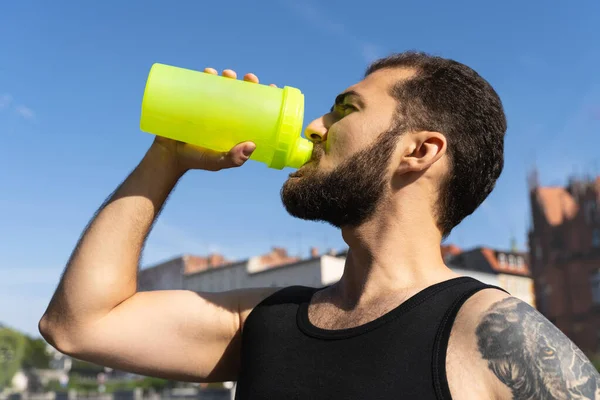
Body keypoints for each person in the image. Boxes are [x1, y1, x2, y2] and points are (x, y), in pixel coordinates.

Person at [39, 51, 600, 399]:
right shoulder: (263, 320)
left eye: (345, 109)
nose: (313, 126)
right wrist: (165, 157)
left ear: (420, 150)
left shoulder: (493, 332)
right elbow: (79, 325)